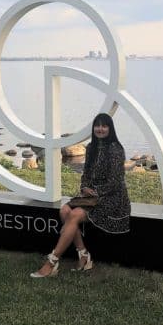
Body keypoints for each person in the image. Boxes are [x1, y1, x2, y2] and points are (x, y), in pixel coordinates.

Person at [30, 112, 131, 278]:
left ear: (110, 128)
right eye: (97, 125)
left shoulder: (115, 149)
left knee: (75, 214)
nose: (100, 129)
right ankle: (84, 255)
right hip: (91, 196)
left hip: (112, 197)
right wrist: (84, 187)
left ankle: (52, 262)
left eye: (104, 126)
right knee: (64, 210)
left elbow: (116, 181)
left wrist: (97, 192)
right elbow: (86, 174)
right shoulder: (91, 148)